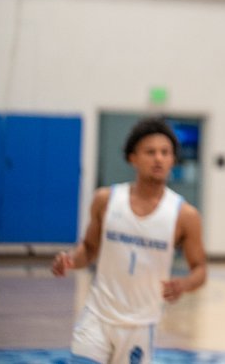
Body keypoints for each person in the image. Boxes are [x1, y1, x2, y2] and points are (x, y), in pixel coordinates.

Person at [51, 118, 207, 364]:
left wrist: (183, 285)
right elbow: (89, 249)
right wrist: (70, 260)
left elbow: (200, 269)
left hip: (140, 325)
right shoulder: (106, 199)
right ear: (132, 158)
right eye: (150, 152)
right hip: (97, 317)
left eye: (165, 153)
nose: (158, 158)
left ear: (173, 160)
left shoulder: (185, 215)